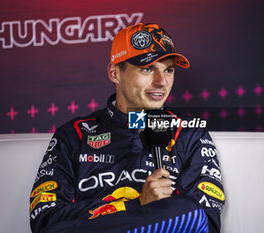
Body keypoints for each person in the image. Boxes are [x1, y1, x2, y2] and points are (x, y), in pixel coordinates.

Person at [30, 23, 225, 233]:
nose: (162, 82)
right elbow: (45, 220)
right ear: (115, 73)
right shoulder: (74, 135)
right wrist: (138, 205)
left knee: (188, 212)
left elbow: (204, 222)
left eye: (169, 70)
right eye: (147, 69)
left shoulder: (188, 133)